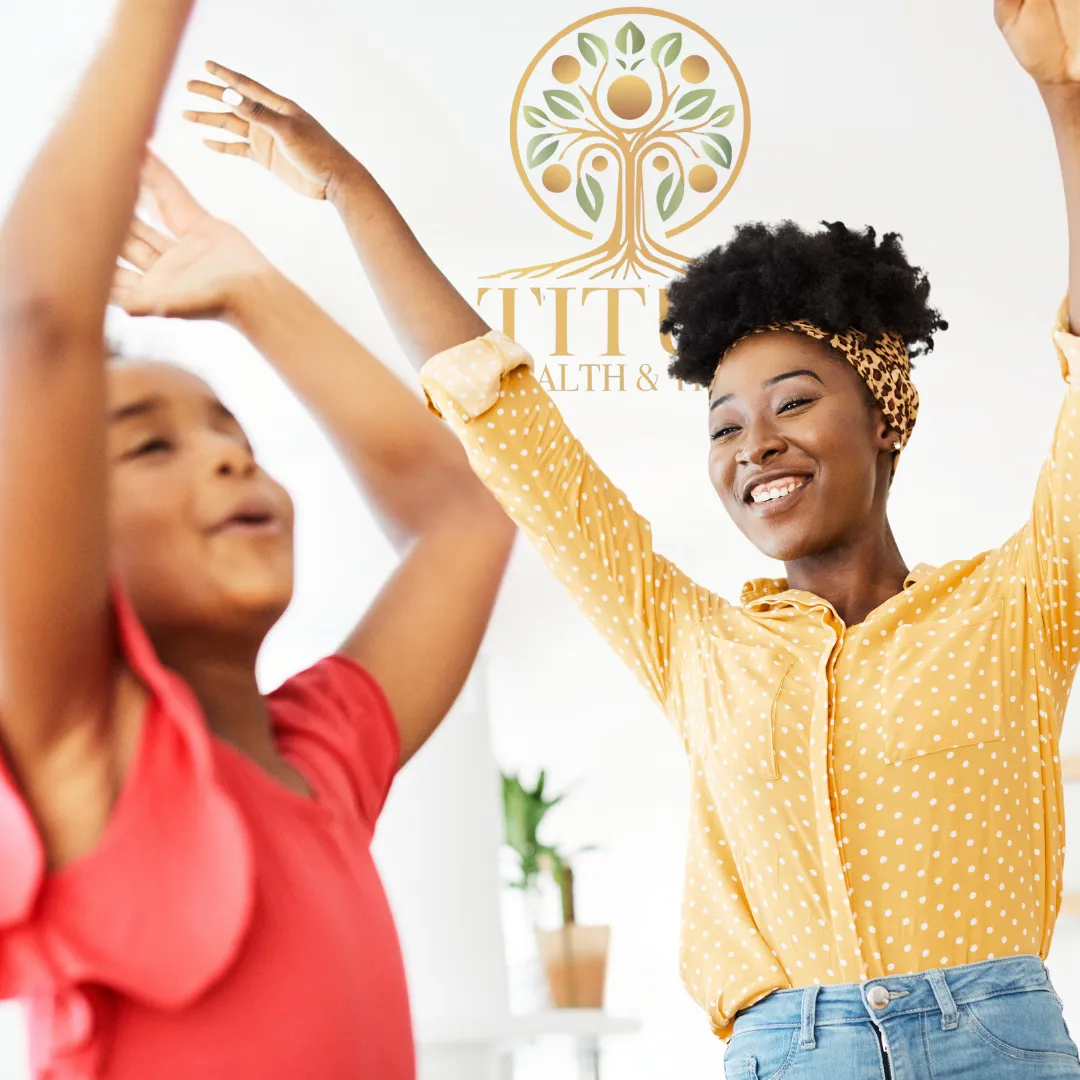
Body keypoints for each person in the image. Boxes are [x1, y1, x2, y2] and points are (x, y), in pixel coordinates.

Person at [184, 3, 1080, 1077]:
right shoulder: (694, 646)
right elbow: (509, 428)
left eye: (795, 403)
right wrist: (350, 191)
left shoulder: (1018, 608)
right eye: (725, 427)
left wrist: (1064, 98)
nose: (756, 445)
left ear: (885, 416)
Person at [0, 3, 516, 1078]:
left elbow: (466, 513)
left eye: (231, 434)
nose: (227, 460)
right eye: (150, 447)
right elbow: (38, 325)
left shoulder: (324, 757)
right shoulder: (87, 749)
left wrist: (253, 293)